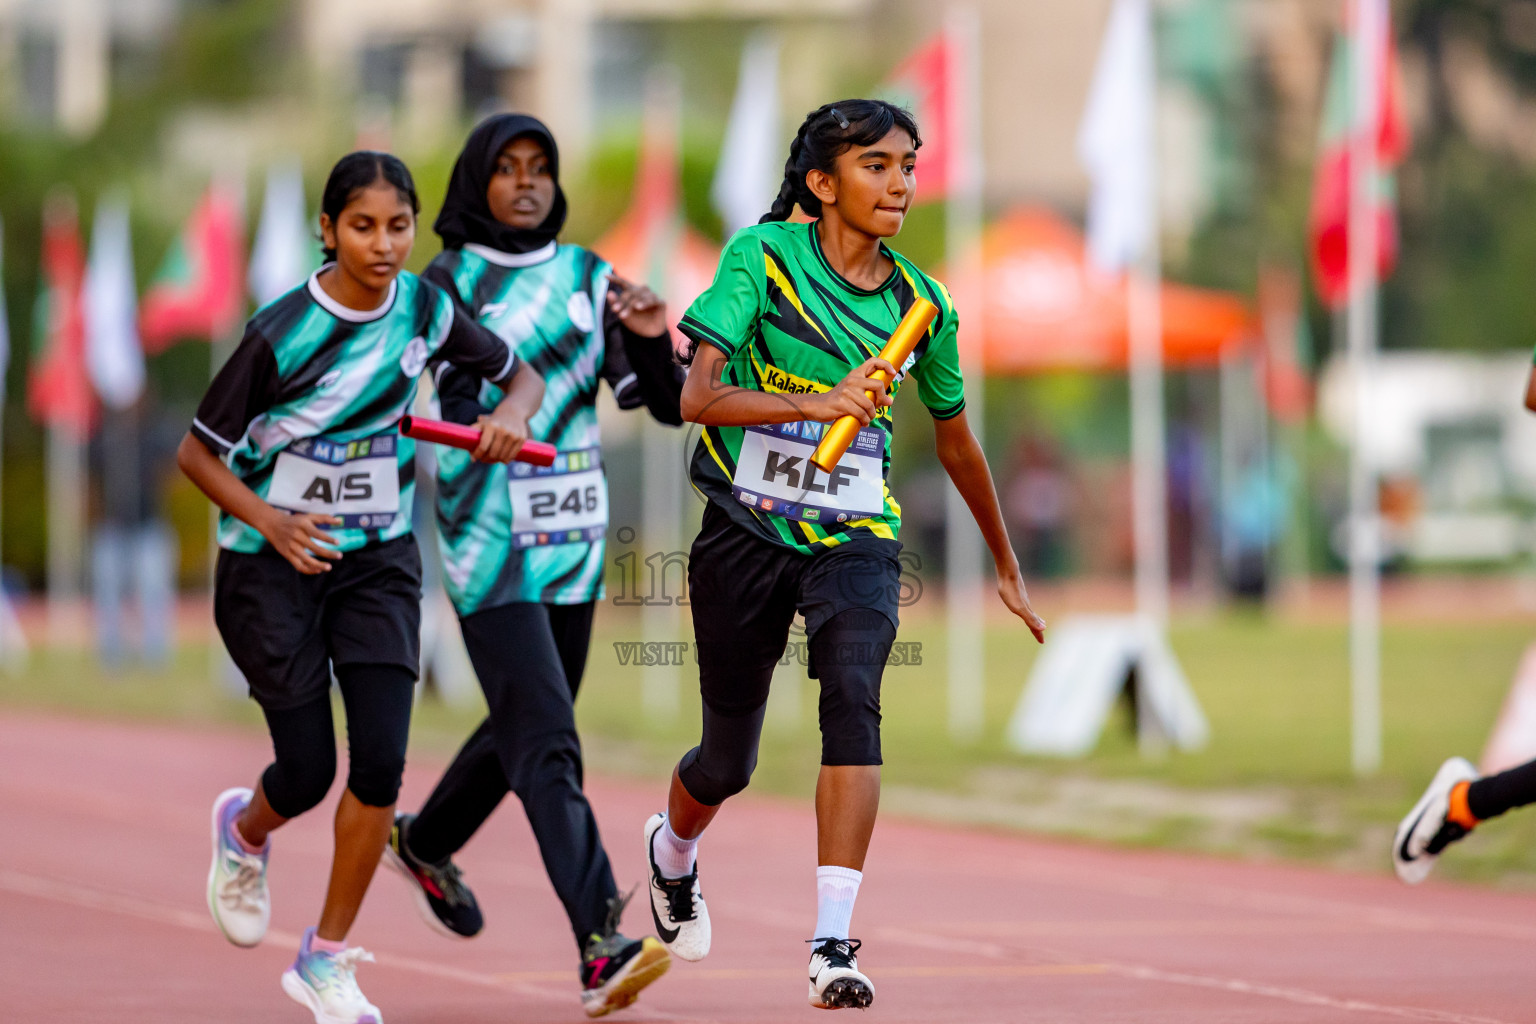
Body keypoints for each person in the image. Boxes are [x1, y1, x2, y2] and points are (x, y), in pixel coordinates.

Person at [641, 99, 1048, 1010]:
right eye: (876, 164)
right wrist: (819, 403)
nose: (900, 181)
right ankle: (673, 851)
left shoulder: (924, 307)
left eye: (909, 163)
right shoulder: (762, 260)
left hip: (858, 533)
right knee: (726, 763)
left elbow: (956, 444)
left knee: (855, 698)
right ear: (822, 184)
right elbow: (697, 400)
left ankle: (833, 946)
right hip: (744, 531)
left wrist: (1006, 562)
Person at [178, 150, 543, 1024]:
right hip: (271, 563)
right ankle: (246, 829)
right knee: (307, 773)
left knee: (380, 763)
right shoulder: (279, 332)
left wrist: (510, 418)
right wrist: (271, 521)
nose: (384, 245)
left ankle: (326, 959)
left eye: (400, 226)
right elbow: (197, 453)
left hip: (377, 558)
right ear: (327, 230)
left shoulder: (425, 306)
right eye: (363, 226)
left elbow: (520, 374)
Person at [381, 114, 684, 1018]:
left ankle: (425, 842)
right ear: (477, 182)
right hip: (488, 541)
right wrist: (485, 422)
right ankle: (601, 942)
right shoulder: (449, 280)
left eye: (540, 168)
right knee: (549, 738)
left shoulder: (592, 277)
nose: (526, 183)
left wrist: (657, 335)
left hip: (573, 541)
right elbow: (459, 398)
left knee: (527, 729)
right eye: (507, 169)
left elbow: (665, 408)